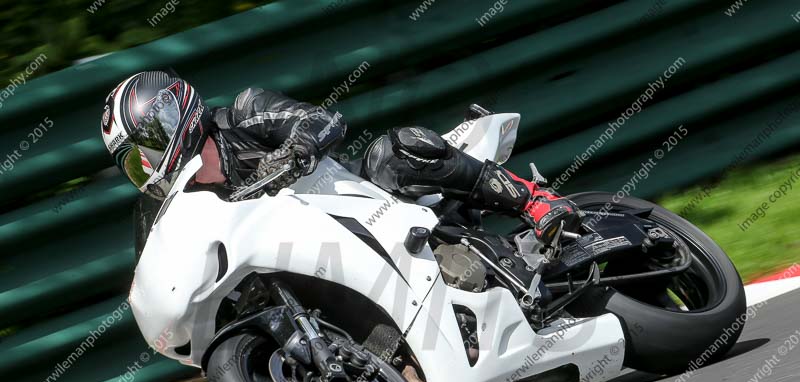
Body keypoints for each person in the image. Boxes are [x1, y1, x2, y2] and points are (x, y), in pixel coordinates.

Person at [101, 70, 581, 247]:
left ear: (173, 112)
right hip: (309, 256)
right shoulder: (170, 214)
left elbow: (326, 120)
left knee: (394, 150)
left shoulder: (243, 112)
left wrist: (298, 147)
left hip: (361, 203)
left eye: (146, 145)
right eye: (133, 162)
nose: (146, 164)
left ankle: (534, 202)